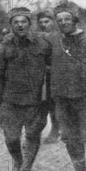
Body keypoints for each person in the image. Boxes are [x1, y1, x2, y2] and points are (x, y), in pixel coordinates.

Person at [0, 7, 51, 171]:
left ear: (30, 24)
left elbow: (55, 68)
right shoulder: (5, 45)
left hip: (35, 101)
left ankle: (26, 168)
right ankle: (17, 161)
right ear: (11, 25)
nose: (20, 25)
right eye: (16, 22)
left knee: (32, 135)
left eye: (24, 22)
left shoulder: (43, 44)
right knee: (11, 138)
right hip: (10, 100)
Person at [48, 0, 86, 171]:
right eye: (60, 20)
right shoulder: (54, 42)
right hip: (62, 96)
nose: (64, 22)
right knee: (69, 136)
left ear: (75, 19)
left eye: (67, 19)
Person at [36, 9, 62, 145]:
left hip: (58, 75)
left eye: (46, 21)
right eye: (40, 22)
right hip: (42, 76)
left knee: (56, 103)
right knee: (44, 103)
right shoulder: (37, 37)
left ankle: (57, 130)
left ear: (53, 22)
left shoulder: (60, 36)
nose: (43, 24)